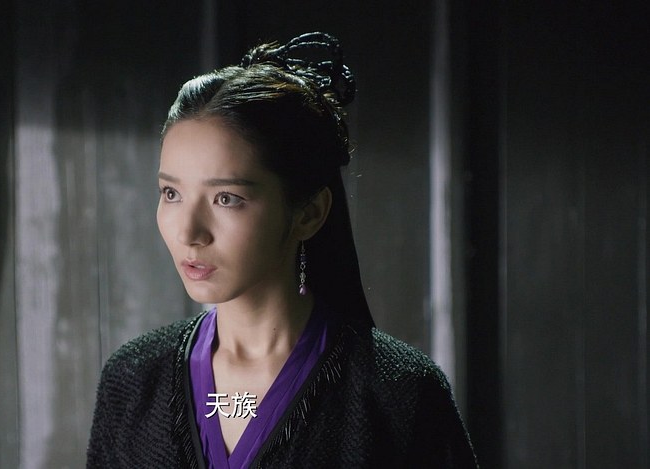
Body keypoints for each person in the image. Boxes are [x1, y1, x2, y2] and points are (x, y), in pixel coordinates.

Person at [87, 32, 478, 468]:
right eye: (171, 193)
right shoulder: (133, 380)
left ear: (309, 213)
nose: (189, 232)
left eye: (226, 198)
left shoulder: (397, 392)